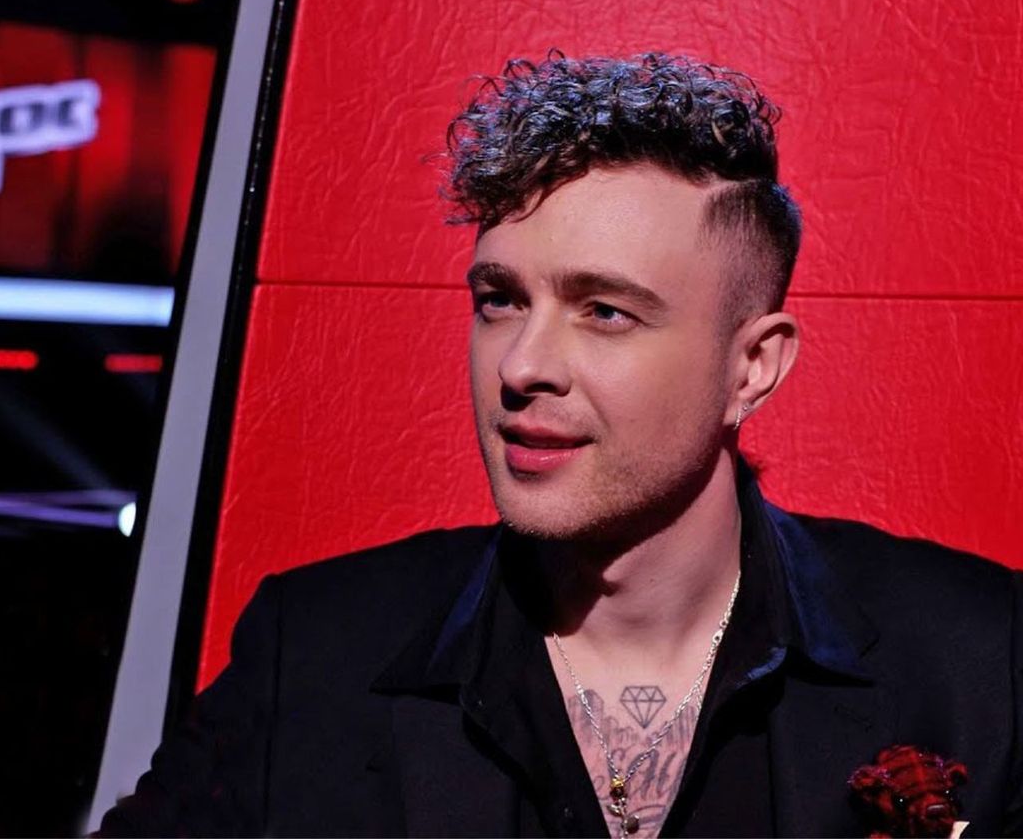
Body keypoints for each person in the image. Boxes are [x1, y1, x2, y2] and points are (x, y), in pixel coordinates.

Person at [97, 52, 1023, 837]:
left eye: (606, 311)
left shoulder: (978, 660)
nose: (522, 365)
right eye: (500, 300)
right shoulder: (316, 648)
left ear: (753, 367)